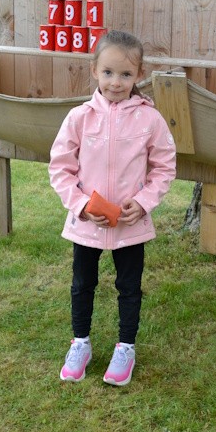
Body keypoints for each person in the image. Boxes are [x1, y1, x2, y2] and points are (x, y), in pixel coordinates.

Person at [48, 30, 177, 386]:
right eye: (108, 73)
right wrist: (79, 204)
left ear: (139, 75)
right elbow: (60, 168)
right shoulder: (79, 118)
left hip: (130, 225)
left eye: (125, 75)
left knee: (129, 286)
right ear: (94, 71)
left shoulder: (151, 120)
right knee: (82, 283)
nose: (116, 83)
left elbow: (165, 167)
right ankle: (81, 343)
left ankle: (125, 347)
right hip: (87, 224)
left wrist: (145, 202)